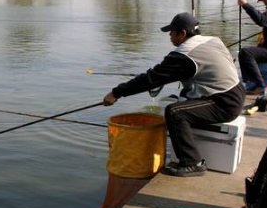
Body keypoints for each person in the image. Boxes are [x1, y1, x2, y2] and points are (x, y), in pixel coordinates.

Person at [103, 13, 245, 177]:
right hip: (236, 91)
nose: (170, 36)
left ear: (182, 33)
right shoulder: (213, 40)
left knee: (174, 112)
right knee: (180, 99)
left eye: (171, 32)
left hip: (224, 103)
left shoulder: (184, 55)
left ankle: (193, 163)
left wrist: (116, 93)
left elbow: (150, 79)